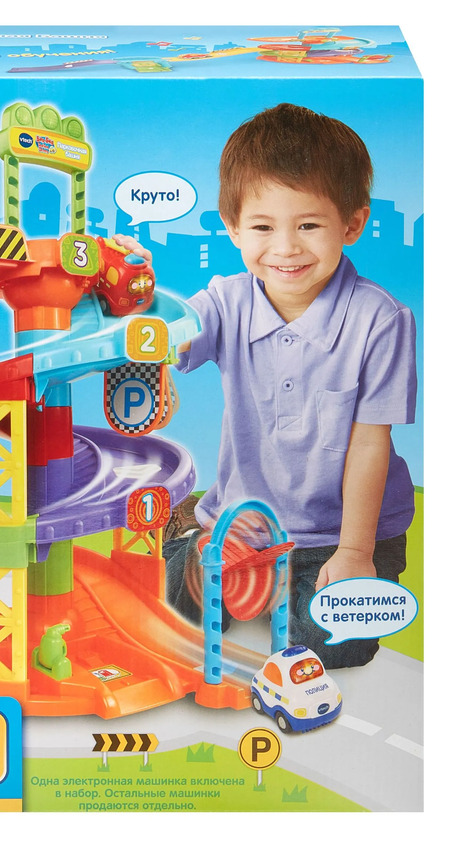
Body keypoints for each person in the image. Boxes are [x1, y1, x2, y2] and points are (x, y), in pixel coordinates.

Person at [117, 103, 417, 668]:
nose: (285, 248)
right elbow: (167, 336)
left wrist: (355, 551)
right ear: (232, 227)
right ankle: (192, 531)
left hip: (342, 532)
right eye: (262, 227)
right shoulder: (225, 300)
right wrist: (134, 293)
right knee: (175, 616)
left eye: (308, 225)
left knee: (332, 648)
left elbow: (369, 443)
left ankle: (297, 582)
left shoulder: (382, 320)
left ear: (352, 224)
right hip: (242, 522)